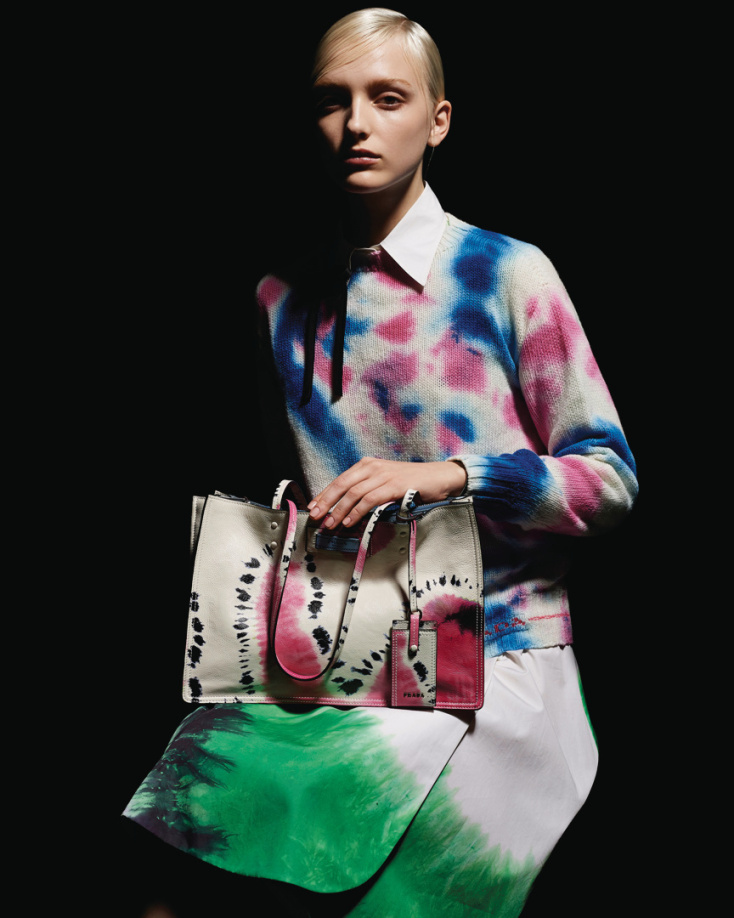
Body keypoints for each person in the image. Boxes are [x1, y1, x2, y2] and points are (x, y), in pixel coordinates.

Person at [123, 9, 638, 917]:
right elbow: (308, 495)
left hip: (502, 657)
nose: (357, 123)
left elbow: (611, 482)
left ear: (439, 120)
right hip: (344, 656)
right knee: (184, 832)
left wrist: (454, 475)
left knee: (394, 881)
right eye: (333, 100)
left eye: (388, 98)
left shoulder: (507, 274)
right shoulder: (278, 301)